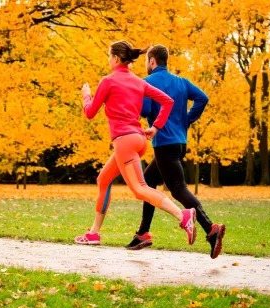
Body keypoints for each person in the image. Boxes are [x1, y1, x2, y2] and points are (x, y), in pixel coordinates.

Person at [74, 40, 197, 246]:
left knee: (140, 189)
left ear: (115, 58)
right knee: (103, 180)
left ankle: (182, 216)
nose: (108, 59)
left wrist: (86, 96)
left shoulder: (108, 81)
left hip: (125, 142)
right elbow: (168, 101)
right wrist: (156, 127)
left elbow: (90, 112)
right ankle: (94, 233)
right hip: (139, 139)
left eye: (108, 56)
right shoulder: (139, 81)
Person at [124, 44, 226, 259]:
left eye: (146, 61)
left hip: (164, 142)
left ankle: (210, 229)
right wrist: (186, 120)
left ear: (152, 61)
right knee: (148, 182)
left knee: (178, 188)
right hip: (180, 141)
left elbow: (144, 111)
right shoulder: (181, 82)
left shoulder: (147, 83)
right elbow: (202, 98)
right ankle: (143, 233)